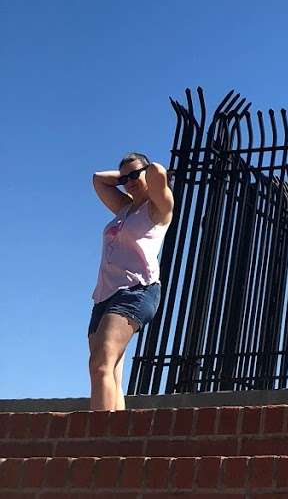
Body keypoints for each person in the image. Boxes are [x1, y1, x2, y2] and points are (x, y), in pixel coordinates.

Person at [89, 152, 174, 411]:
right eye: (124, 177)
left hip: (137, 289)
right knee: (109, 370)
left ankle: (97, 442)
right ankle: (114, 439)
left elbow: (159, 172)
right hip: (105, 294)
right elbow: (97, 180)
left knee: (101, 364)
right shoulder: (123, 208)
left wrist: (142, 172)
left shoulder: (157, 207)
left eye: (135, 175)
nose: (129, 181)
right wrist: (128, 176)